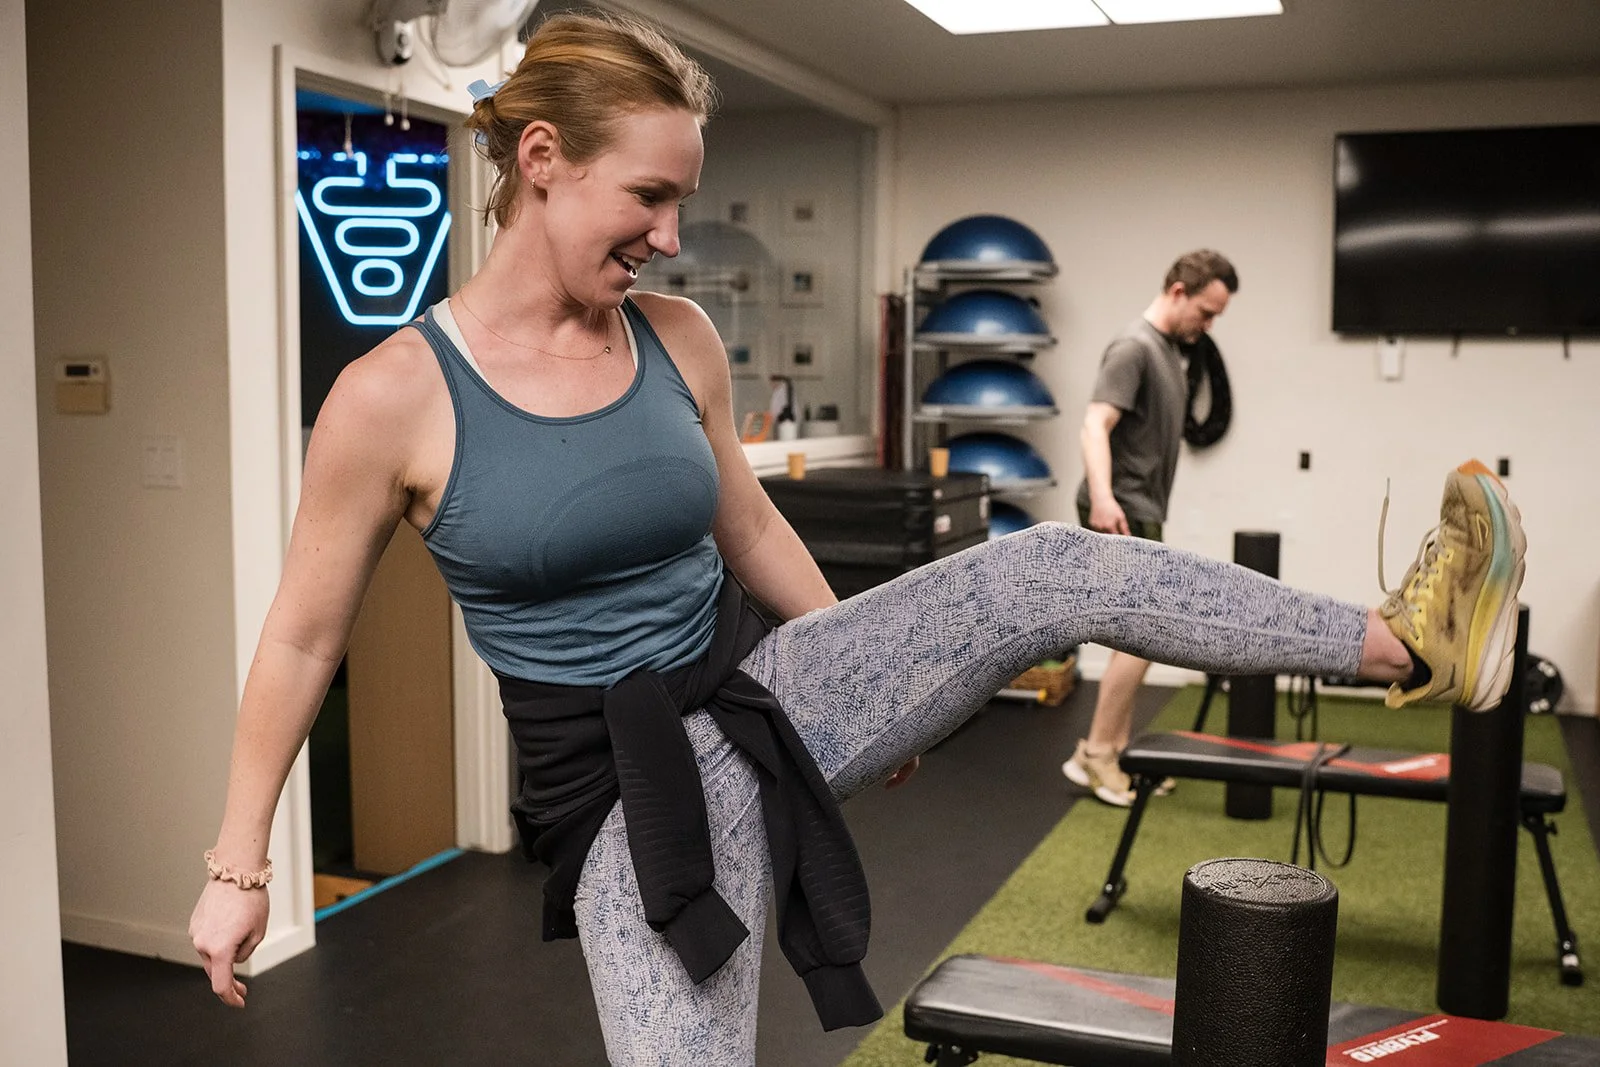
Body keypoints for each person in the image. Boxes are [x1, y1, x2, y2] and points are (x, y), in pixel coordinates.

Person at [188, 14, 1527, 1065]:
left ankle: (1407, 633)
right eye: (648, 198)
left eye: (680, 201)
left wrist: (863, 661)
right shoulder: (393, 398)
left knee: (1047, 564)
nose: (670, 235)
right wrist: (240, 865)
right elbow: (305, 633)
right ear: (542, 159)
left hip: (767, 688)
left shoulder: (678, 339)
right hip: (620, 794)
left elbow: (748, 518)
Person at [1064, 250, 1238, 806]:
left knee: (1139, 638)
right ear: (1179, 292)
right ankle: (1094, 755)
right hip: (1119, 507)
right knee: (1140, 638)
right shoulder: (1133, 347)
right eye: (1206, 312)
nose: (1208, 326)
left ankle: (1113, 750)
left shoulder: (1169, 352)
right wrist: (1104, 498)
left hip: (1142, 507)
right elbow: (1095, 424)